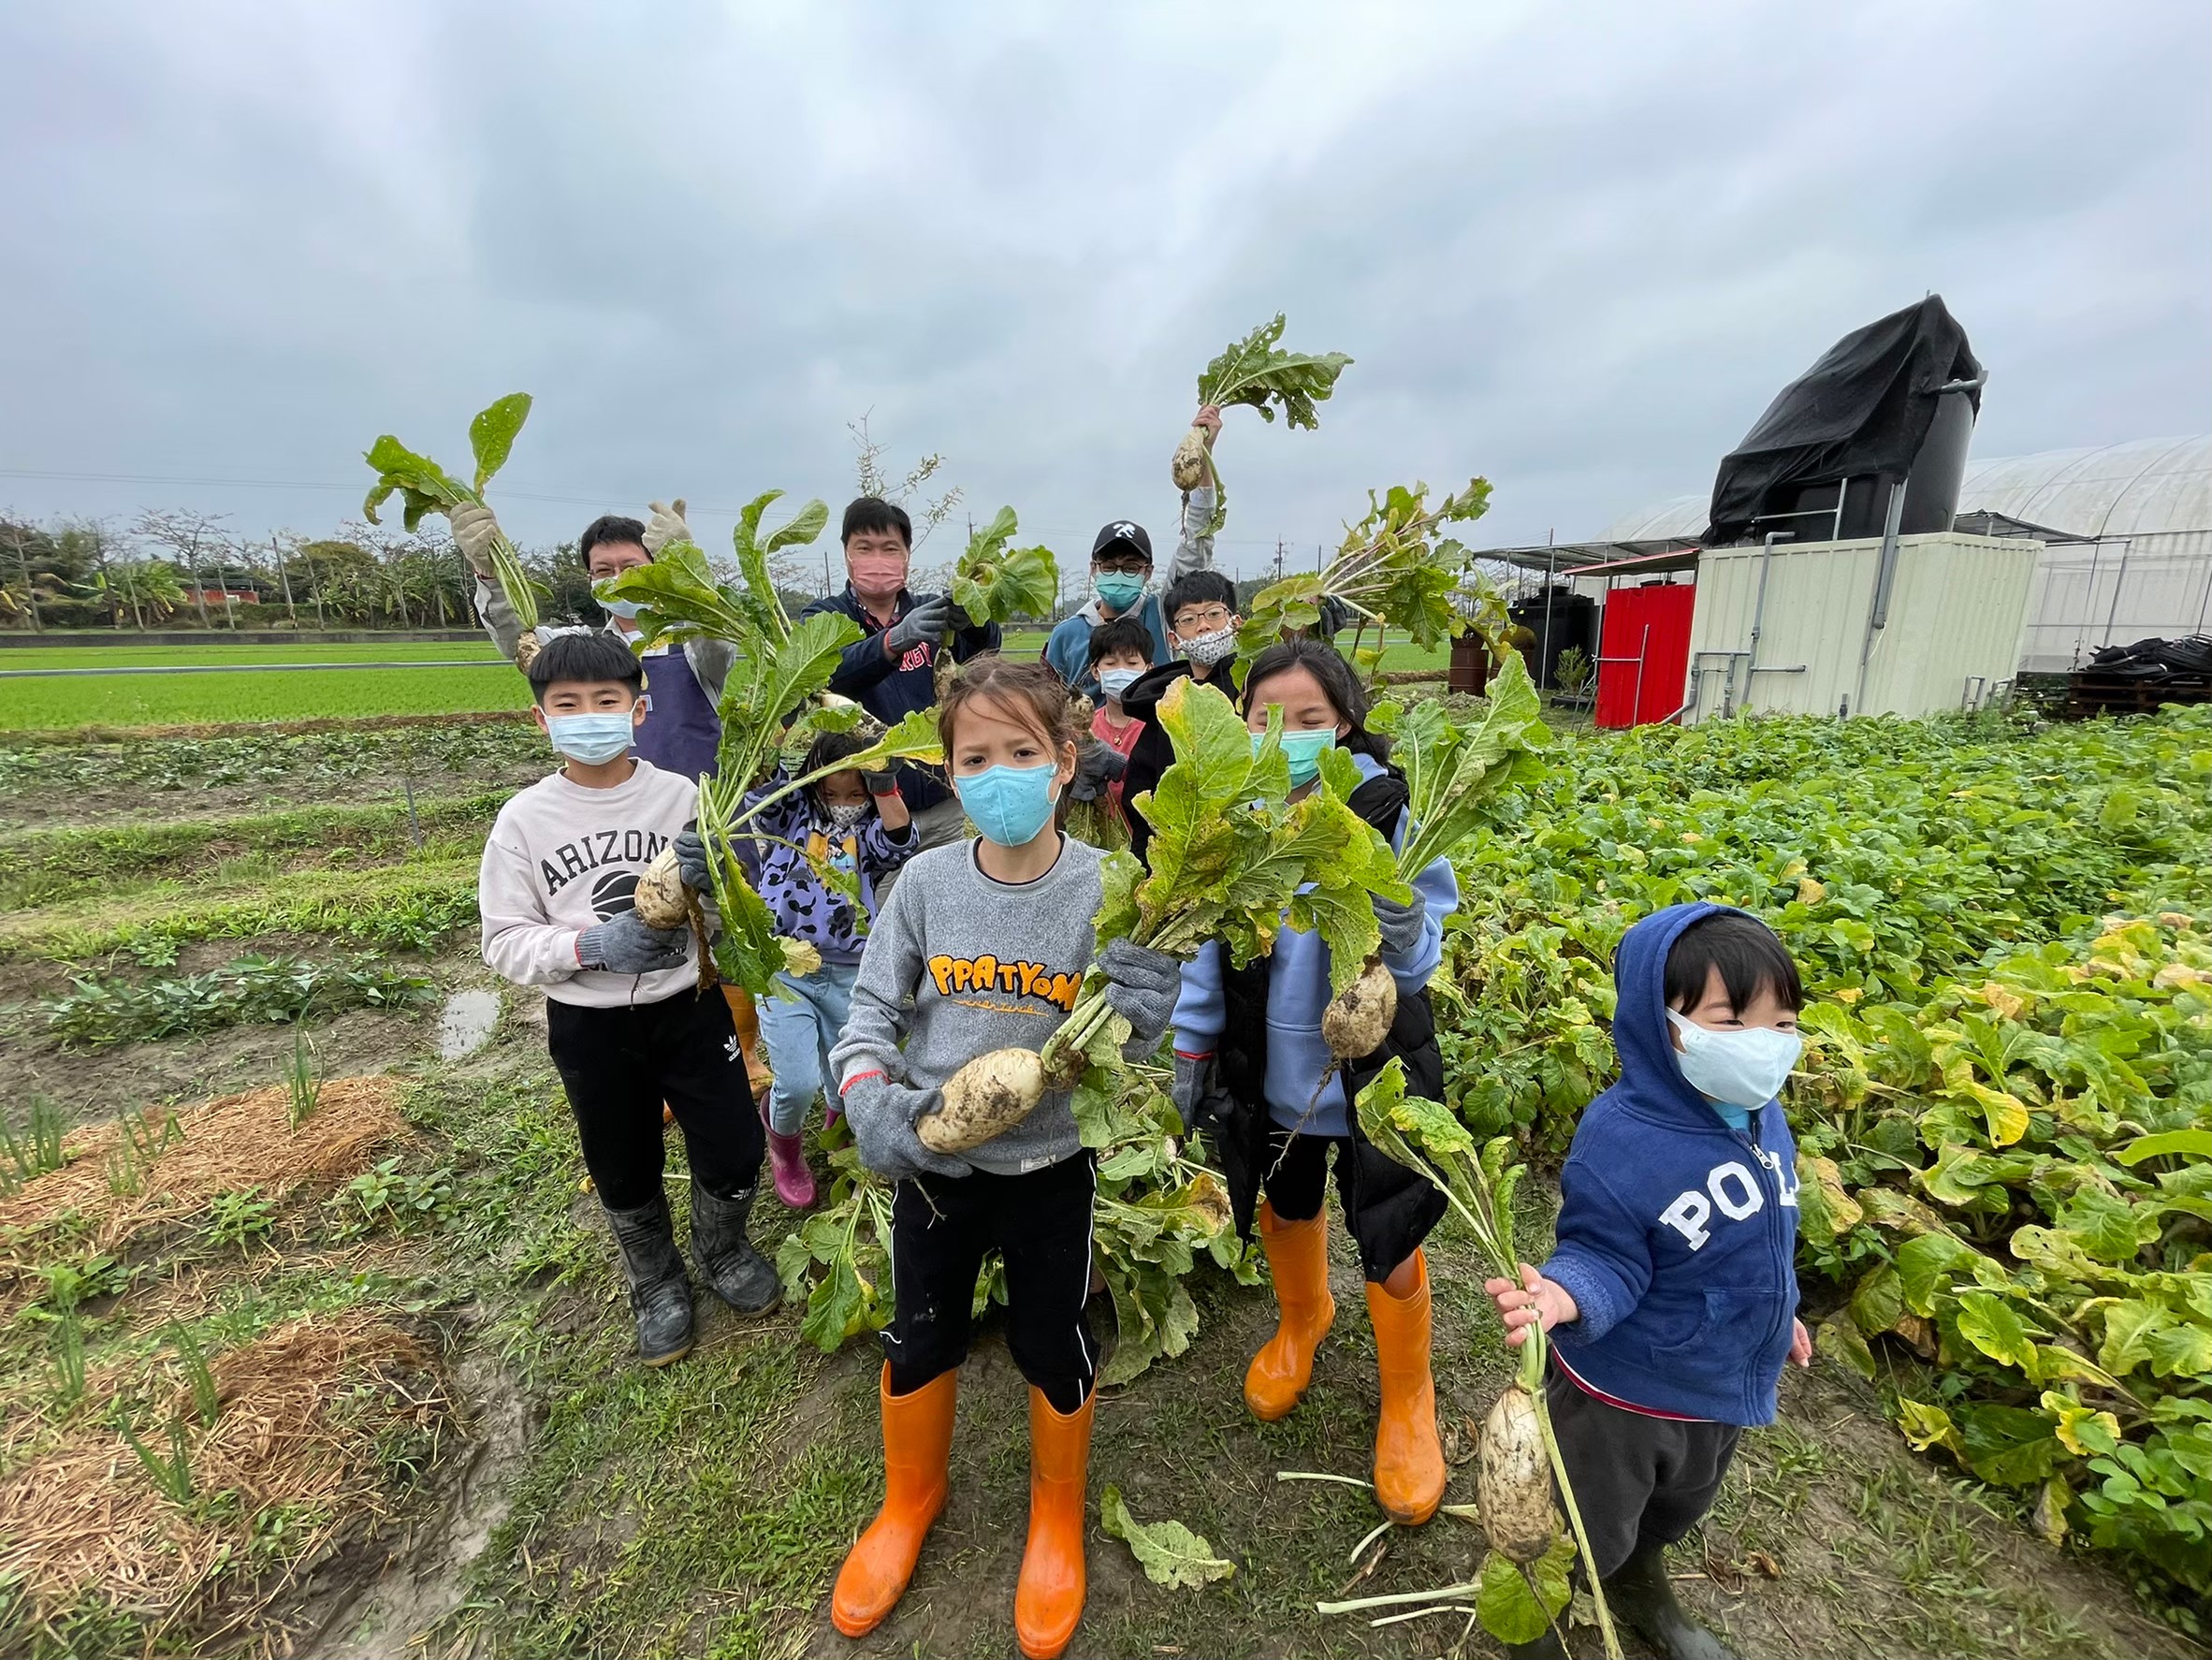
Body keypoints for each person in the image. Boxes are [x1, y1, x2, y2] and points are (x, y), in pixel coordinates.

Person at [825, 656, 1182, 1660]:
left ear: (1065, 762)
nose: (999, 773)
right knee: (922, 1331)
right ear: (949, 771)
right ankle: (911, 1500)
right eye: (975, 757)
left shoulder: (1109, 888)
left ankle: (1055, 1519)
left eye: (1021, 752)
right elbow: (867, 1014)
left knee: (1049, 1338)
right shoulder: (926, 880)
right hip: (934, 1165)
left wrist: (1149, 1012)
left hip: (1049, 1167)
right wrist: (868, 1097)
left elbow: (1132, 1047)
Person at [1168, 638, 1461, 1524]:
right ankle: (1303, 1321)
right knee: (1285, 1205)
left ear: (1345, 728)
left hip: (1374, 1070)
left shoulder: (1380, 811)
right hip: (1269, 1069)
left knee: (1392, 1225)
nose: (1286, 736)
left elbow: (1418, 963)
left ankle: (1409, 1398)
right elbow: (1197, 944)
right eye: (1265, 720)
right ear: (1239, 727)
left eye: (1310, 721)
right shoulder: (1227, 820)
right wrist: (1190, 1048)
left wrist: (1404, 917)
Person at [1483, 904, 1812, 1660]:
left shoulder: (1762, 1116)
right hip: (1623, 1400)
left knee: (1679, 1504)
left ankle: (1640, 1579)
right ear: (1657, 1022)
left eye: (1783, 1024)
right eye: (1731, 1021)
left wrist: (1778, 1311)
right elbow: (1606, 1253)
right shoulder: (1622, 1139)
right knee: (1585, 1524)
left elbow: (1765, 1235)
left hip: (1718, 1379)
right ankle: (1537, 1627)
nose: (1762, 1045)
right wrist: (1565, 1295)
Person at [477, 632, 779, 1368]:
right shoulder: (524, 819)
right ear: (540, 720)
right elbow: (503, 940)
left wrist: (719, 875)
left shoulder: (682, 796)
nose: (589, 716)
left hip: (689, 1004)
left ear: (638, 709)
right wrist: (589, 948)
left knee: (735, 1144)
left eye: (606, 701)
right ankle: (656, 1280)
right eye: (568, 705)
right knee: (621, 1159)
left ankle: (723, 1248)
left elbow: (735, 901)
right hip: (590, 1023)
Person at [454, 501, 769, 1088]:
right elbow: (520, 642)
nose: (616, 579)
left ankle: (741, 1054)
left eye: (631, 565)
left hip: (701, 815)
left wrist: (686, 569)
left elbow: (726, 647)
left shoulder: (691, 636)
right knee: (634, 936)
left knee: (725, 932)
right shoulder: (585, 651)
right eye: (602, 570)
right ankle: (652, 1069)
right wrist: (491, 577)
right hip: (611, 820)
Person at [714, 730, 918, 1210]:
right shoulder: (791, 815)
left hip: (848, 971)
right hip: (785, 969)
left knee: (842, 1075)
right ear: (811, 785)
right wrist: (780, 735)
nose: (844, 803)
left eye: (855, 793)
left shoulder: (867, 829)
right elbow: (761, 798)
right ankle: (784, 1146)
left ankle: (836, 1127)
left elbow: (901, 840)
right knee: (799, 1080)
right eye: (831, 793)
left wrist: (884, 785)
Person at [801, 497, 1001, 893]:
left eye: (890, 549)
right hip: (870, 815)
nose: (878, 559)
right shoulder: (824, 618)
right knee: (879, 927)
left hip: (946, 806)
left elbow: (984, 658)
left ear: (907, 556)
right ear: (846, 555)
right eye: (865, 548)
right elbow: (827, 674)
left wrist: (974, 623)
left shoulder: (931, 611)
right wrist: (891, 642)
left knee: (958, 912)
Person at [1040, 406, 1223, 695]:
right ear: (1093, 569)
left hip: (1156, 739)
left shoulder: (1162, 615)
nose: (1118, 574)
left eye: (1130, 567)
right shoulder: (1066, 634)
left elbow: (1196, 546)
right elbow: (1046, 702)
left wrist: (1204, 451)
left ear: (1147, 572)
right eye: (1109, 566)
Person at [1115, 569, 1244, 866]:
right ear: (1174, 638)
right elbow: (1141, 796)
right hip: (1177, 857)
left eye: (1214, 614)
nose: (1203, 627)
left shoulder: (1255, 689)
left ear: (1236, 623)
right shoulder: (1163, 705)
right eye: (1188, 619)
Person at [1083, 615, 1154, 831]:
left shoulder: (1159, 729)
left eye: (1132, 663)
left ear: (1148, 669)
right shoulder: (1083, 729)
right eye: (1111, 663)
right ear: (1096, 671)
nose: (1121, 670)